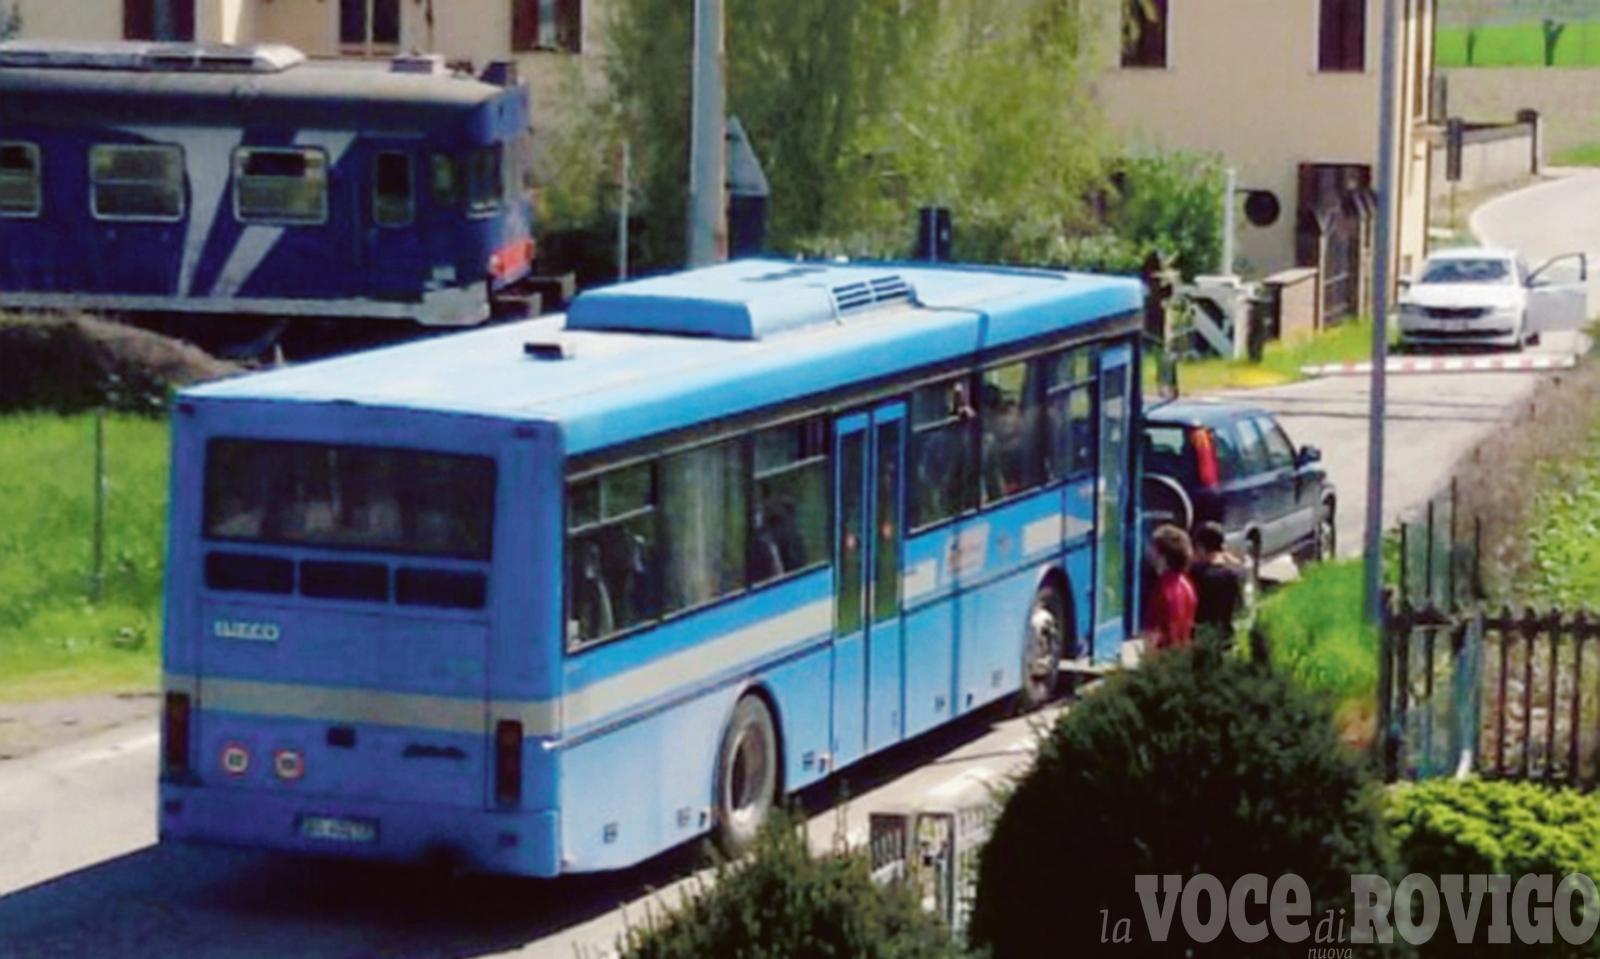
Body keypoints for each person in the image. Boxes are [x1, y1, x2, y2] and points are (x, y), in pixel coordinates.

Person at [1189, 522, 1245, 647]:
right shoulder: (1234, 573)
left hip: (1203, 638)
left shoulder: (1198, 574)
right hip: (1227, 637)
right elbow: (1240, 607)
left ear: (1200, 548)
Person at [1145, 524, 1197, 652]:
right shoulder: (1187, 586)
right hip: (1181, 656)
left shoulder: (1162, 589)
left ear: (1162, 556)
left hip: (1163, 658)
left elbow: (1154, 634)